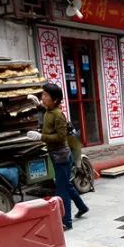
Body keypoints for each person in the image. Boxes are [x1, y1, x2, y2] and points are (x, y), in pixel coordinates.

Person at [40, 82, 88, 230]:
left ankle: (66, 222)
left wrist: (40, 137)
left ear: (54, 100)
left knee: (61, 191)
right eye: (42, 95)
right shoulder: (49, 110)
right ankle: (82, 207)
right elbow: (46, 111)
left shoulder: (58, 115)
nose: (42, 97)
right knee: (66, 184)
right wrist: (37, 104)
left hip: (61, 156)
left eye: (45, 95)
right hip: (55, 155)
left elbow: (61, 137)